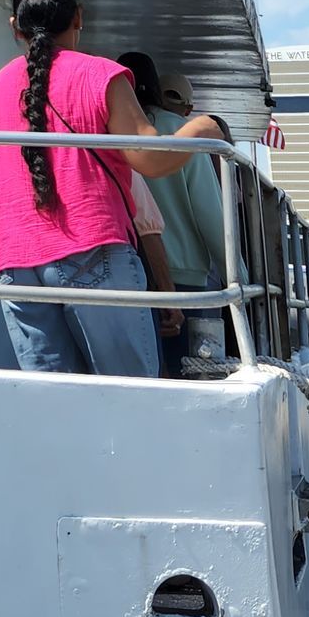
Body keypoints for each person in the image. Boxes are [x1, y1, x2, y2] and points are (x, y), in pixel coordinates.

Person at [0, 0, 194, 377]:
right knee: (129, 395)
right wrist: (204, 130)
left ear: (15, 25)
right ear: (78, 17)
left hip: (17, 262)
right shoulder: (100, 75)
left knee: (55, 406)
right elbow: (150, 159)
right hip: (93, 247)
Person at [118, 48, 230, 374]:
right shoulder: (180, 131)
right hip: (186, 277)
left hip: (124, 271)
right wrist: (238, 279)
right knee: (193, 375)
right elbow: (210, 214)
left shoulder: (105, 133)